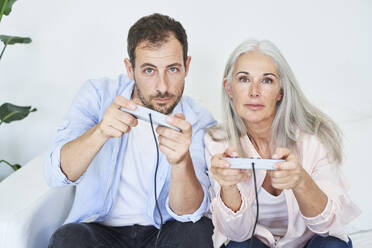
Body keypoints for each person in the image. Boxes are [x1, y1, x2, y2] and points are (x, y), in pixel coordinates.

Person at [45, 13, 216, 248]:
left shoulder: (200, 121)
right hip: (100, 231)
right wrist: (101, 132)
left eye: (173, 69)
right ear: (129, 68)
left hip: (163, 231)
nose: (162, 86)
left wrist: (181, 162)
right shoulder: (97, 95)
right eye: (148, 70)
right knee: (68, 238)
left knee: (198, 231)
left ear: (187, 66)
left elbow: (189, 213)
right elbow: (56, 174)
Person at [204, 40, 360, 248]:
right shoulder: (216, 141)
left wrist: (301, 181)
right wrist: (227, 186)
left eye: (266, 81)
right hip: (253, 243)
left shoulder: (314, 138)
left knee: (332, 245)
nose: (254, 91)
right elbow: (237, 234)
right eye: (244, 79)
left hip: (311, 241)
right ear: (229, 88)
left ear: (280, 91)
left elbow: (328, 226)